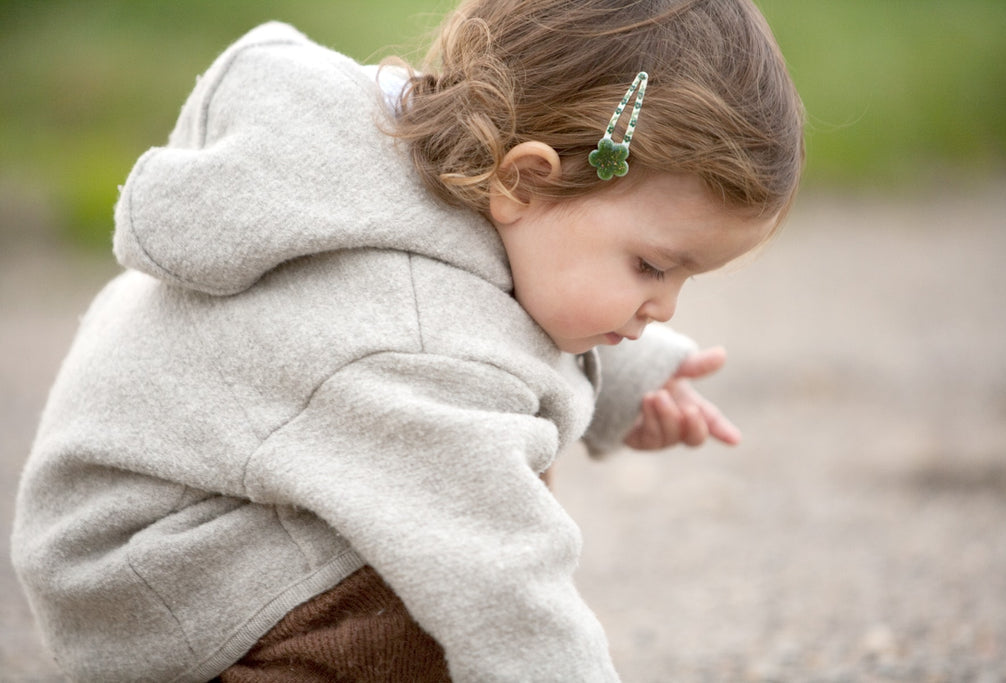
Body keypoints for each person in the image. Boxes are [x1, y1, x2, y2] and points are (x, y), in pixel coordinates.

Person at [11, 0, 803, 680]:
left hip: (169, 534)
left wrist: (628, 378)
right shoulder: (412, 337)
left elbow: (514, 291)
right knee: (429, 589)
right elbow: (498, 571)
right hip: (155, 589)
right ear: (524, 179)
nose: (663, 305)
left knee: (463, 476)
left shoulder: (422, 163)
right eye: (652, 265)